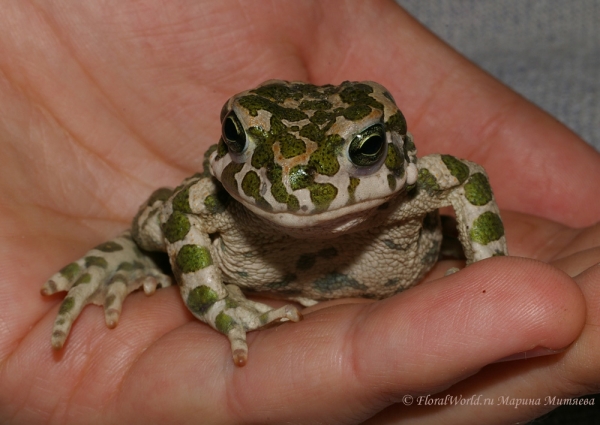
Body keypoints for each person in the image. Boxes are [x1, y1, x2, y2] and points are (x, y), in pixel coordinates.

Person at [0, 1, 598, 423]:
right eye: (241, 143)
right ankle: (126, 258)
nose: (296, 186)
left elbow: (466, 179)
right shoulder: (205, 203)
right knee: (157, 218)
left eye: (363, 151)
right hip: (246, 261)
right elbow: (182, 214)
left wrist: (486, 266)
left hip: (388, 255)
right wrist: (215, 304)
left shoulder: (427, 182)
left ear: (390, 149)